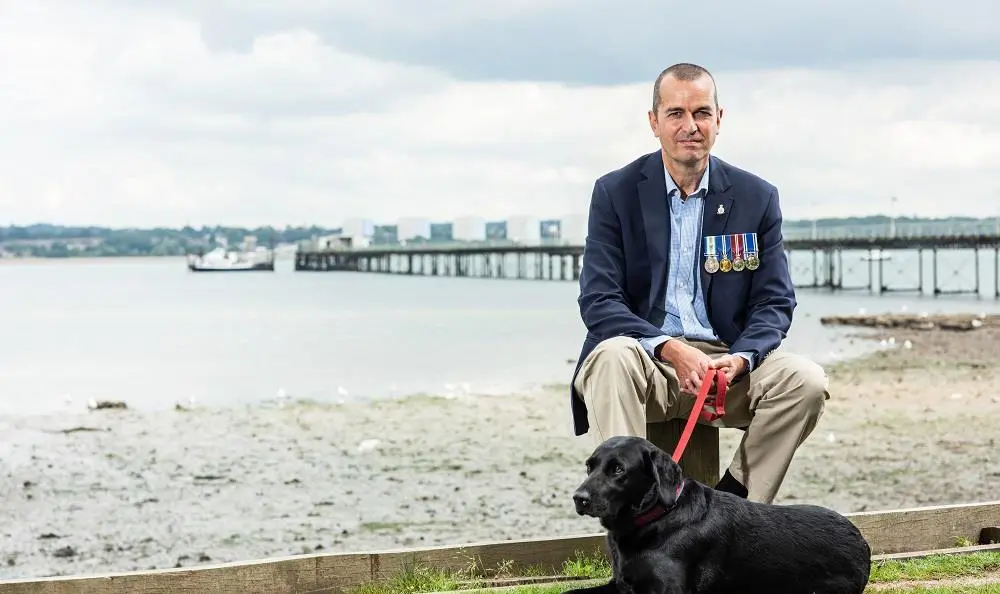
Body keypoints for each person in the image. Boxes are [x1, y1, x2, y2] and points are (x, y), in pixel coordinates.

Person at [569, 62, 829, 504]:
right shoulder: (616, 191)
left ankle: (734, 506)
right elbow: (599, 301)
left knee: (806, 380)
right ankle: (631, 513)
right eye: (676, 114)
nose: (690, 126)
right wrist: (670, 348)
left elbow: (775, 301)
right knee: (610, 355)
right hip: (645, 358)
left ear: (719, 120)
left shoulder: (756, 196)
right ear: (654, 122)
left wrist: (743, 359)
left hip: (724, 366)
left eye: (702, 113)